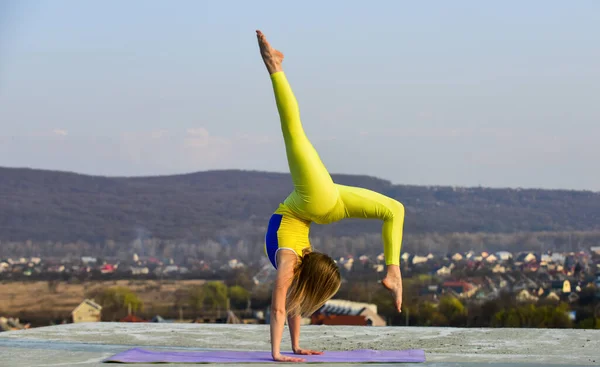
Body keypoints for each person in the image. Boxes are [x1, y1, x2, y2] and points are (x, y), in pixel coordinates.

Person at [257, 30, 405, 363]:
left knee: (394, 209)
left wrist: (292, 348)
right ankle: (274, 68)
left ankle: (394, 271)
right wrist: (277, 354)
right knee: (294, 132)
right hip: (317, 202)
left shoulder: (291, 266)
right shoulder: (289, 264)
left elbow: (288, 304)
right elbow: (279, 306)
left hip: (322, 204)